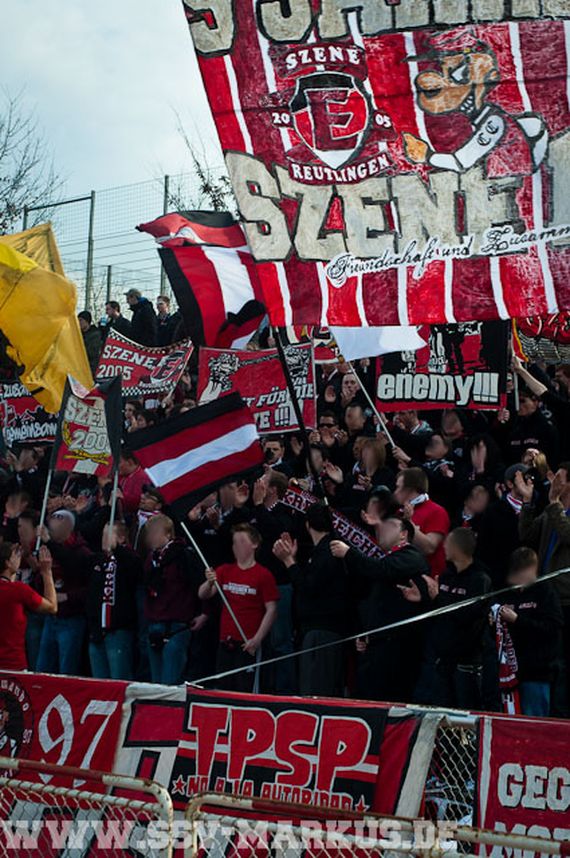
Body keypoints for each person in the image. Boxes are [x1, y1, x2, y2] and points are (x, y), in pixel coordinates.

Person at [331, 515, 429, 702]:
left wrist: (349, 553)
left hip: (398, 648)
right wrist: (368, 634)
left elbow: (381, 569)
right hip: (380, 643)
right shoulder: (391, 558)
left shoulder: (411, 556)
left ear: (404, 535)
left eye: (391, 526)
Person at [407, 528, 492, 710]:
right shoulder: (446, 576)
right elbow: (440, 611)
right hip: (441, 659)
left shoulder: (479, 580)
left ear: (458, 548)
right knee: (441, 710)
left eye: (448, 543)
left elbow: (468, 615)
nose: (444, 546)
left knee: (465, 712)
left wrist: (438, 598)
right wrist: (424, 599)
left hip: (465, 662)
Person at [273, 503, 348, 697]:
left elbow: (308, 588)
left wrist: (288, 561)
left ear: (308, 525)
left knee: (315, 691)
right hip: (322, 631)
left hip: (321, 633)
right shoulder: (324, 550)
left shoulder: (327, 552)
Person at [199, 523, 278, 693]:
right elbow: (203, 594)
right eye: (234, 542)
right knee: (223, 688)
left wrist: (257, 639)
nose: (237, 546)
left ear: (254, 544)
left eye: (242, 541)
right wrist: (209, 581)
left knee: (246, 689)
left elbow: (271, 609)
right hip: (226, 642)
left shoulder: (263, 575)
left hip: (247, 643)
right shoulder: (225, 570)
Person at [498, 547, 563, 717]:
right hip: (510, 672)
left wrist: (518, 620)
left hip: (537, 672)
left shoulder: (545, 592)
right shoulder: (507, 592)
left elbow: (552, 628)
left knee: (533, 718)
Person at [144, 514, 208, 685]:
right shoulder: (151, 558)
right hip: (154, 622)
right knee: (155, 683)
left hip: (177, 623)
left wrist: (204, 613)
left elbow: (200, 585)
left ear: (168, 534)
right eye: (149, 533)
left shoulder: (183, 555)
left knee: (170, 682)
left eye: (155, 533)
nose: (151, 538)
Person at [36, 509, 91, 675]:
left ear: (68, 528)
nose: (50, 529)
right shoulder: (47, 548)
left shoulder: (82, 552)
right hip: (51, 617)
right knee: (42, 669)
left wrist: (67, 596)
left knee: (66, 671)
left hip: (71, 618)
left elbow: (75, 569)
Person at [87, 522, 142, 680]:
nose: (104, 538)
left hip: (118, 632)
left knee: (119, 681)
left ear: (122, 537)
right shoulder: (97, 560)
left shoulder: (130, 559)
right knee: (99, 684)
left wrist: (117, 549)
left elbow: (135, 572)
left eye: (108, 534)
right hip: (97, 632)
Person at [0, 543, 57, 671]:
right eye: (16, 555)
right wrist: (47, 572)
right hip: (14, 666)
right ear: (7, 563)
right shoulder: (19, 591)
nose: (20, 558)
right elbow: (52, 607)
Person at [394, 468, 450, 577]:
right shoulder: (399, 512)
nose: (395, 492)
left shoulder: (437, 512)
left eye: (398, 487)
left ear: (410, 489)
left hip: (427, 580)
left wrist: (409, 522)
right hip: (402, 575)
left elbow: (429, 548)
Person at [78, 310, 102, 376]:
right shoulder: (79, 334)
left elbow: (92, 352)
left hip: (91, 368)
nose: (78, 322)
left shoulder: (95, 334)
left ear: (87, 321)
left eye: (80, 320)